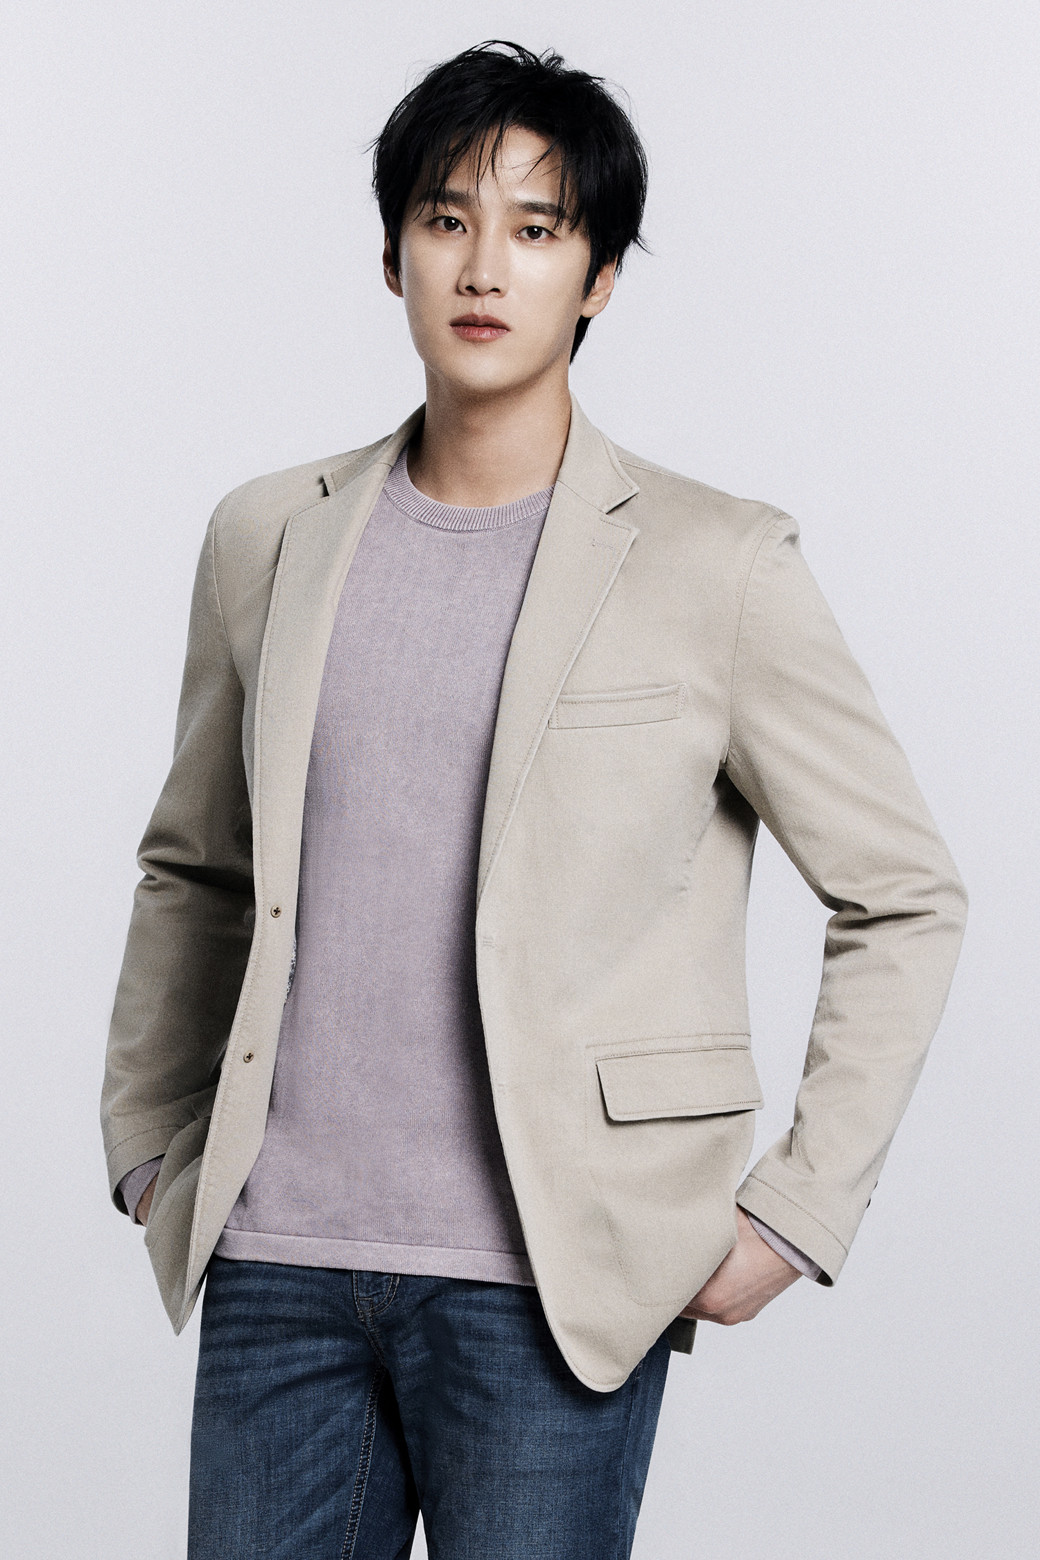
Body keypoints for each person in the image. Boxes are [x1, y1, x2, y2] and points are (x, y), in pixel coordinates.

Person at [100, 38, 967, 1560]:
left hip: (554, 1282)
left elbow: (903, 895)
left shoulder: (717, 563)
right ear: (392, 256)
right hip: (275, 1262)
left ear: (600, 277)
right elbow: (197, 865)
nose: (484, 266)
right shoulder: (268, 535)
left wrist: (800, 1211)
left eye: (537, 228)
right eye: (446, 220)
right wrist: (148, 1136)